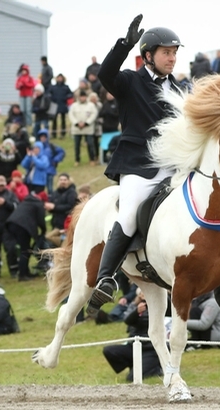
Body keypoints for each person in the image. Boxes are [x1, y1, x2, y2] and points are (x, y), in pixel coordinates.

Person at [88, 15, 186, 311]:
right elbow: (105, 75)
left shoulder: (181, 90)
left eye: (174, 53)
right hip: (138, 165)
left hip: (173, 165)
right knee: (129, 214)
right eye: (166, 53)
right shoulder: (130, 81)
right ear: (148, 56)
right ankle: (106, 277)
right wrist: (123, 46)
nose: (172, 58)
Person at [102, 288, 163, 381]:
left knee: (132, 378)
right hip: (133, 346)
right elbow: (127, 320)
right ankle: (132, 364)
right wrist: (136, 312)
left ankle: (156, 369)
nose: (144, 294)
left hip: (151, 349)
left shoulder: (160, 305)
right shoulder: (135, 306)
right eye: (142, 292)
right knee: (109, 350)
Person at [4, 191, 46, 281]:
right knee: (25, 250)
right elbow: (41, 220)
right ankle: (23, 275)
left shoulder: (25, 202)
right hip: (23, 226)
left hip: (10, 224)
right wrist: (43, 231)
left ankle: (25, 272)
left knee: (22, 249)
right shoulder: (39, 204)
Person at [45, 173, 77, 246]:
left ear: (69, 181)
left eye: (65, 180)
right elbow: (52, 205)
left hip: (67, 226)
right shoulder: (55, 193)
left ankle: (64, 244)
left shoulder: (72, 192)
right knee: (47, 237)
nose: (63, 181)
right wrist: (49, 207)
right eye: (61, 180)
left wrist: (55, 207)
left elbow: (70, 206)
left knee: (64, 247)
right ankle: (62, 243)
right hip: (57, 225)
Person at [69, 90, 99, 166]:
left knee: (90, 144)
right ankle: (77, 160)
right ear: (79, 97)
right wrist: (76, 123)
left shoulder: (91, 105)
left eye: (84, 96)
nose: (82, 98)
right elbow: (71, 115)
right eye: (81, 96)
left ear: (86, 97)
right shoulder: (74, 105)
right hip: (77, 129)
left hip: (88, 128)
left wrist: (86, 123)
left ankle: (92, 159)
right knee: (77, 145)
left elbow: (94, 114)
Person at [49, 74, 73, 139]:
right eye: (58, 78)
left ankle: (63, 134)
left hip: (63, 104)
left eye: (61, 78)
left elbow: (71, 94)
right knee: (54, 120)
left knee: (63, 120)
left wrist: (65, 98)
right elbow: (48, 94)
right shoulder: (53, 87)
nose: (59, 79)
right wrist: (52, 98)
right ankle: (54, 134)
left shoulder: (66, 87)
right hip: (54, 105)